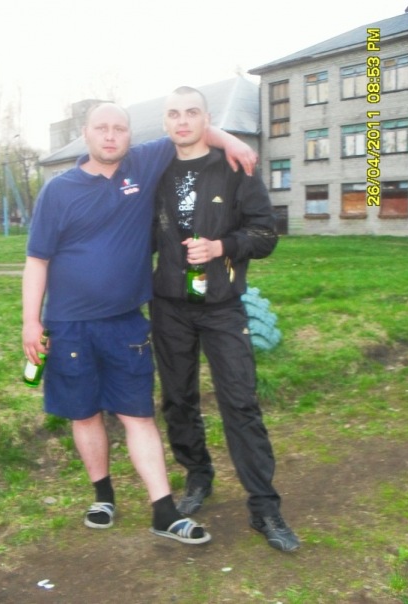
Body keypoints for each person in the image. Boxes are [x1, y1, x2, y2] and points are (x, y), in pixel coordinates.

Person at [22, 102, 257, 545]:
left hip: (126, 323)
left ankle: (164, 512)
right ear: (86, 134)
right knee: (84, 413)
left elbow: (190, 131)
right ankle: (103, 496)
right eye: (101, 128)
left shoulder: (143, 164)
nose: (111, 136)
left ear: (130, 135)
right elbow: (37, 260)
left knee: (139, 415)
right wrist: (30, 322)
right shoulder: (58, 191)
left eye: (119, 128)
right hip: (68, 324)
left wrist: (233, 141)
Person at [151, 87, 300, 552]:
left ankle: (264, 507)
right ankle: (198, 476)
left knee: (240, 402)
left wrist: (222, 247)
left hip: (221, 306)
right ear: (165, 122)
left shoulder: (235, 167)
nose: (182, 121)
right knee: (178, 400)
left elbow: (265, 233)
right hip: (169, 305)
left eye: (191, 112)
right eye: (174, 114)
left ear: (207, 119)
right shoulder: (155, 169)